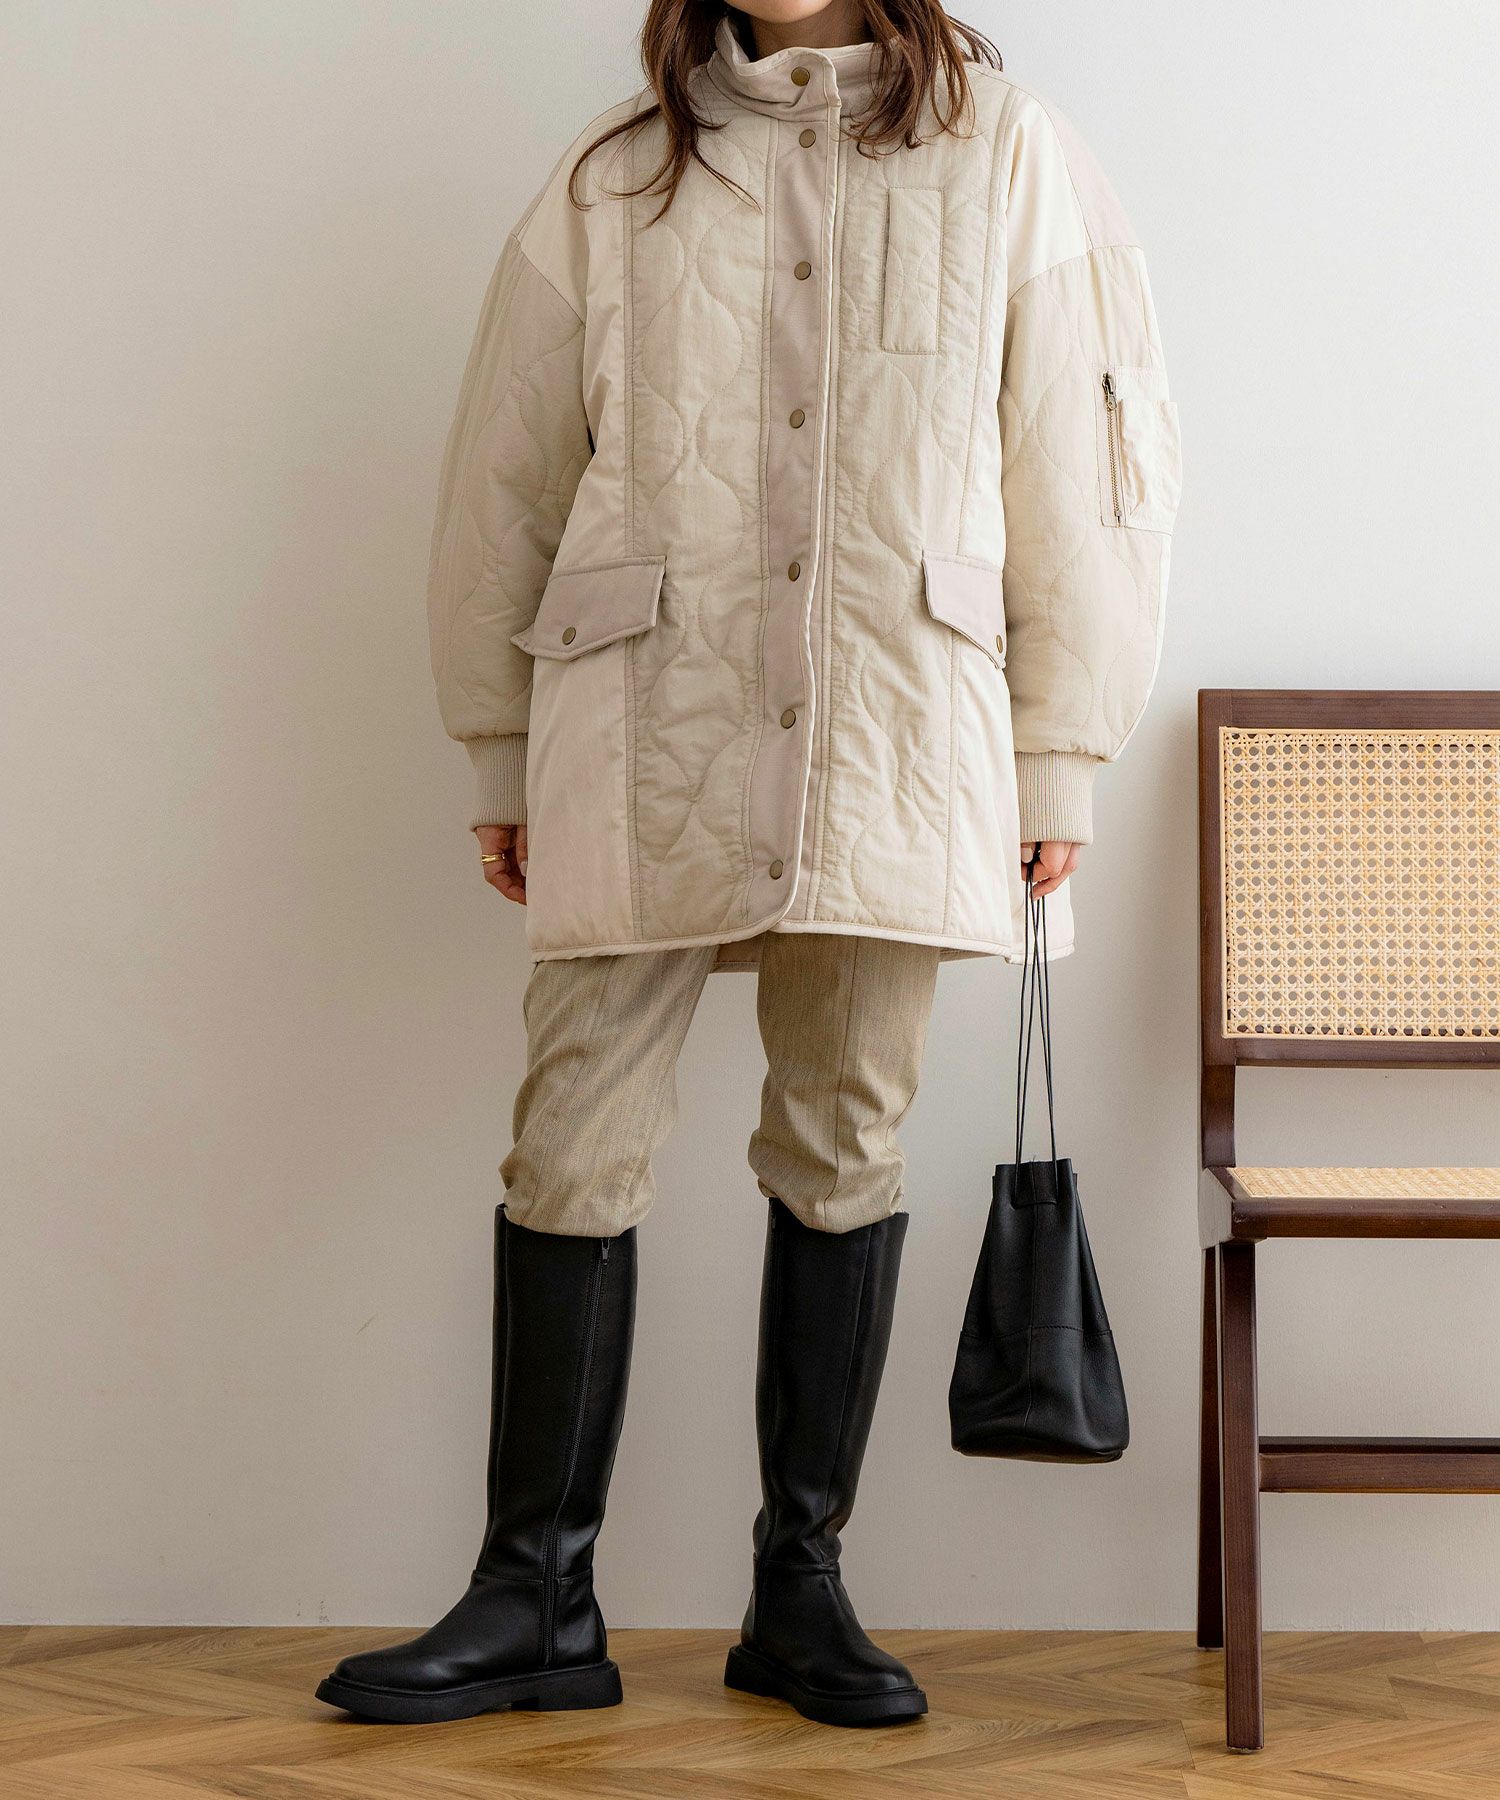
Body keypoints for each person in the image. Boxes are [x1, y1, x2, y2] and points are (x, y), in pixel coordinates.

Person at [317, 0, 1179, 1730]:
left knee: (846, 1134)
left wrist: (1056, 750)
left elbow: (1083, 468)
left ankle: (803, 1588)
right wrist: (497, 742)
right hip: (642, 715)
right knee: (570, 1141)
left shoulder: (1006, 154)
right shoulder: (615, 172)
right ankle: (535, 1597)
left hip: (895, 724)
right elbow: (504, 472)